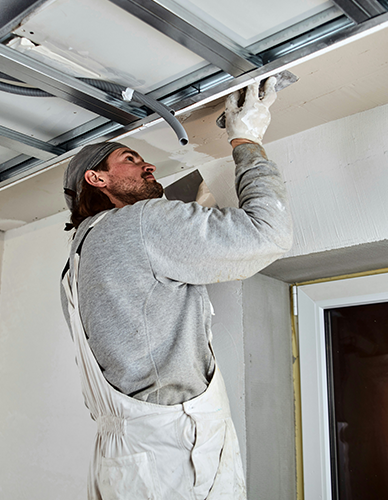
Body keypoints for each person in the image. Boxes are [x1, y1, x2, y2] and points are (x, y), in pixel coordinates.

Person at [60, 76, 292, 500]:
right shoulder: (141, 222)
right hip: (176, 453)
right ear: (96, 179)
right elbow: (269, 235)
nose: (149, 166)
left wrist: (185, 228)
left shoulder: (76, 259)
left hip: (122, 458)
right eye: (130, 158)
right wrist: (246, 140)